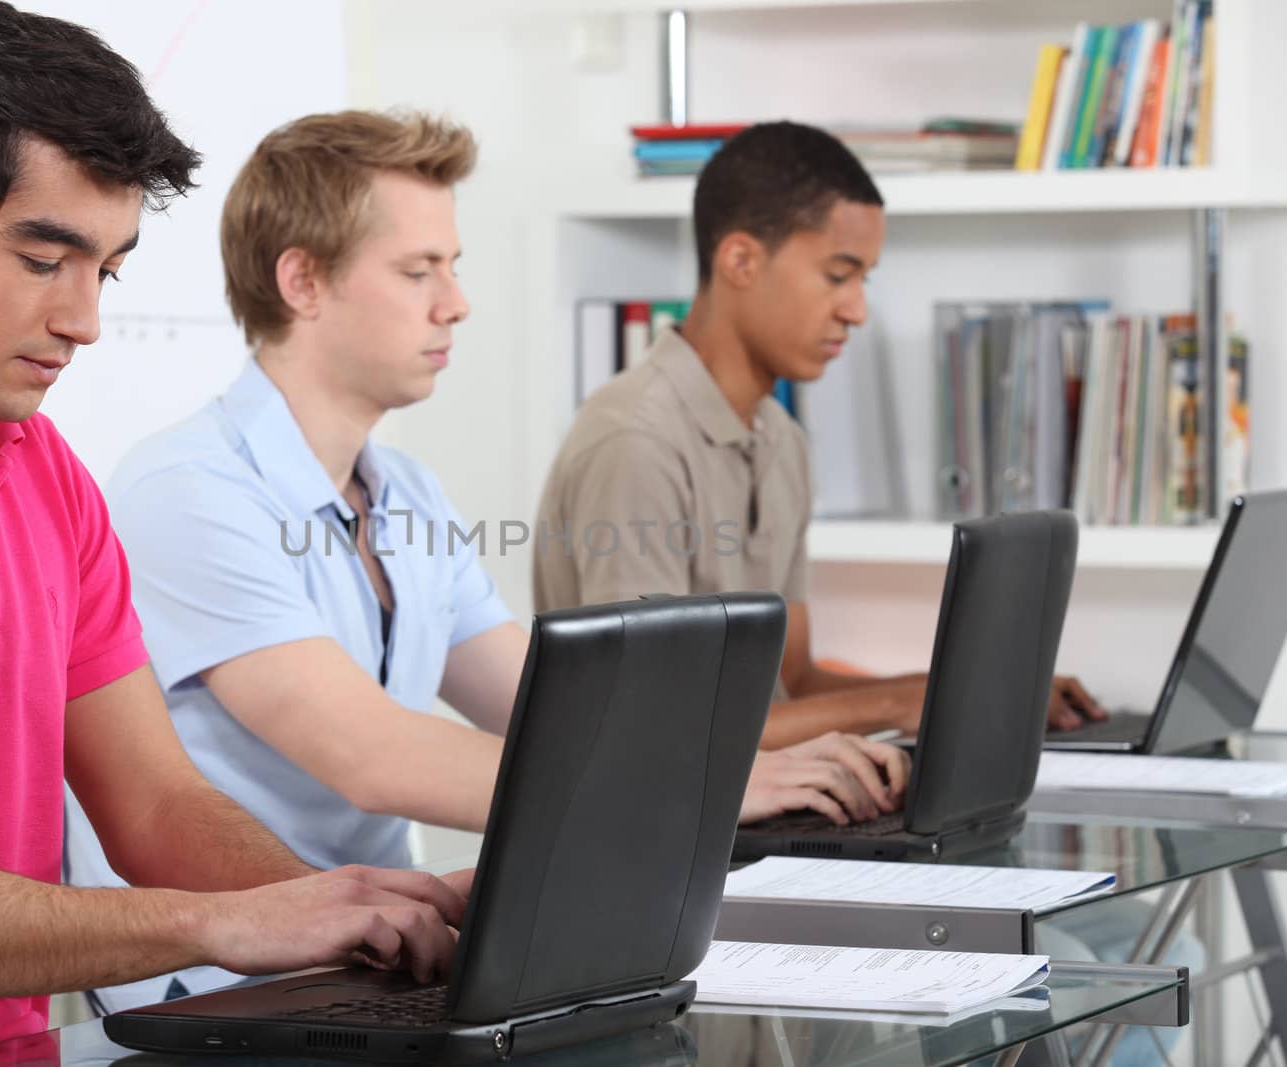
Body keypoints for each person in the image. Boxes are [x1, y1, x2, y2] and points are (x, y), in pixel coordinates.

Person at [0, 8, 465, 1065]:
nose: (83, 320)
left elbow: (152, 801)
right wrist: (213, 925)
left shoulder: (45, 476)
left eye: (103, 270)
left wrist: (361, 905)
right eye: (41, 258)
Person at [64, 109, 911, 1012]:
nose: (455, 301)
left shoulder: (409, 494)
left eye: (453, 268)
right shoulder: (186, 489)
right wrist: (709, 787)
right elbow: (371, 753)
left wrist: (731, 772)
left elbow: (549, 709)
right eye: (418, 270)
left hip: (386, 960)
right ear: (302, 281)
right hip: (220, 988)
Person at [533, 121, 1108, 749]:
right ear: (741, 261)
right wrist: (892, 703)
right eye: (838, 276)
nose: (857, 310)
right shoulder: (635, 445)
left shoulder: (781, 440)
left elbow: (794, 683)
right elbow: (650, 728)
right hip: (651, 835)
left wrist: (971, 688)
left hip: (748, 808)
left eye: (865, 279)